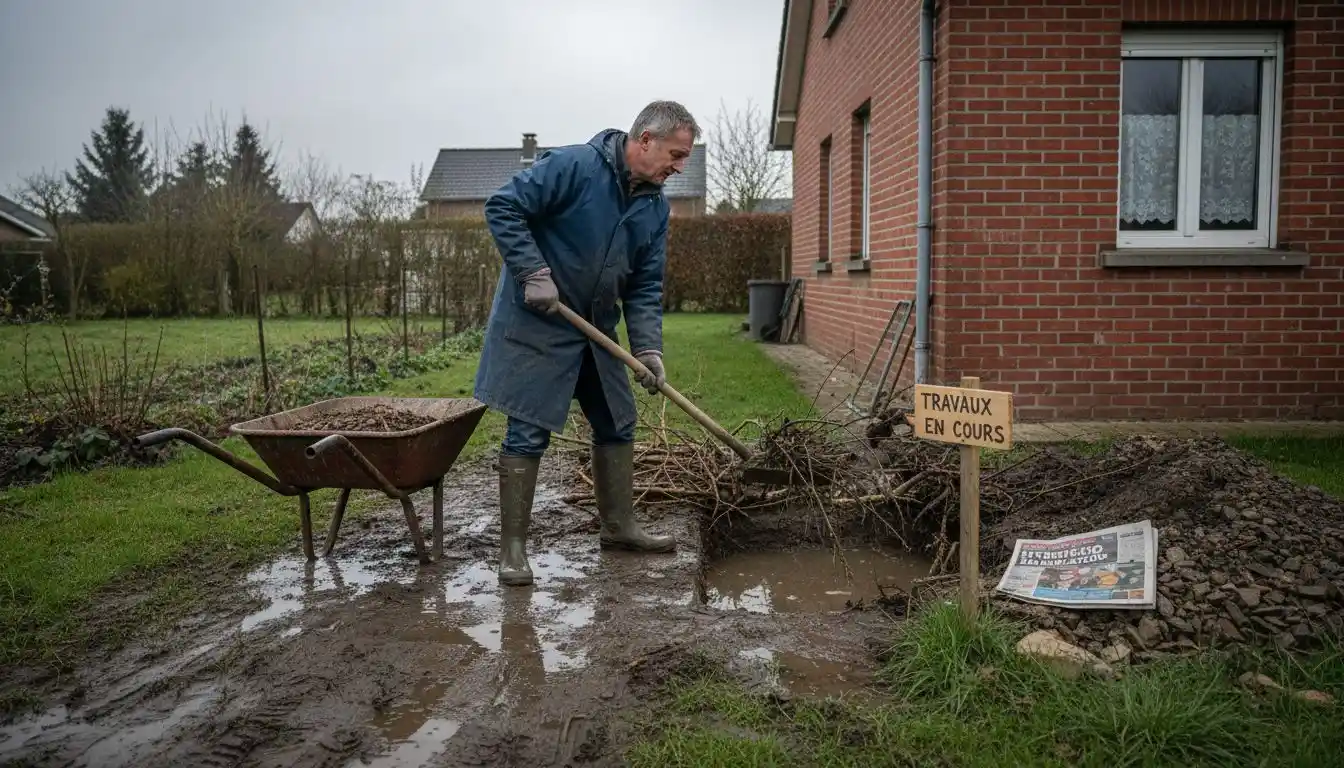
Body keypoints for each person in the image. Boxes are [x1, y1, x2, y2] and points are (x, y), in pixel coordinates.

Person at [474, 100, 700, 587]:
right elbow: (503, 205)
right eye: (676, 155)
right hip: (539, 321)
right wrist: (532, 272)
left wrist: (648, 350)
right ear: (645, 141)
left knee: (617, 421)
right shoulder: (575, 166)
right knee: (527, 432)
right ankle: (512, 550)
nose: (680, 167)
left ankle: (619, 528)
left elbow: (644, 284)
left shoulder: (654, 207)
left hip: (595, 329)